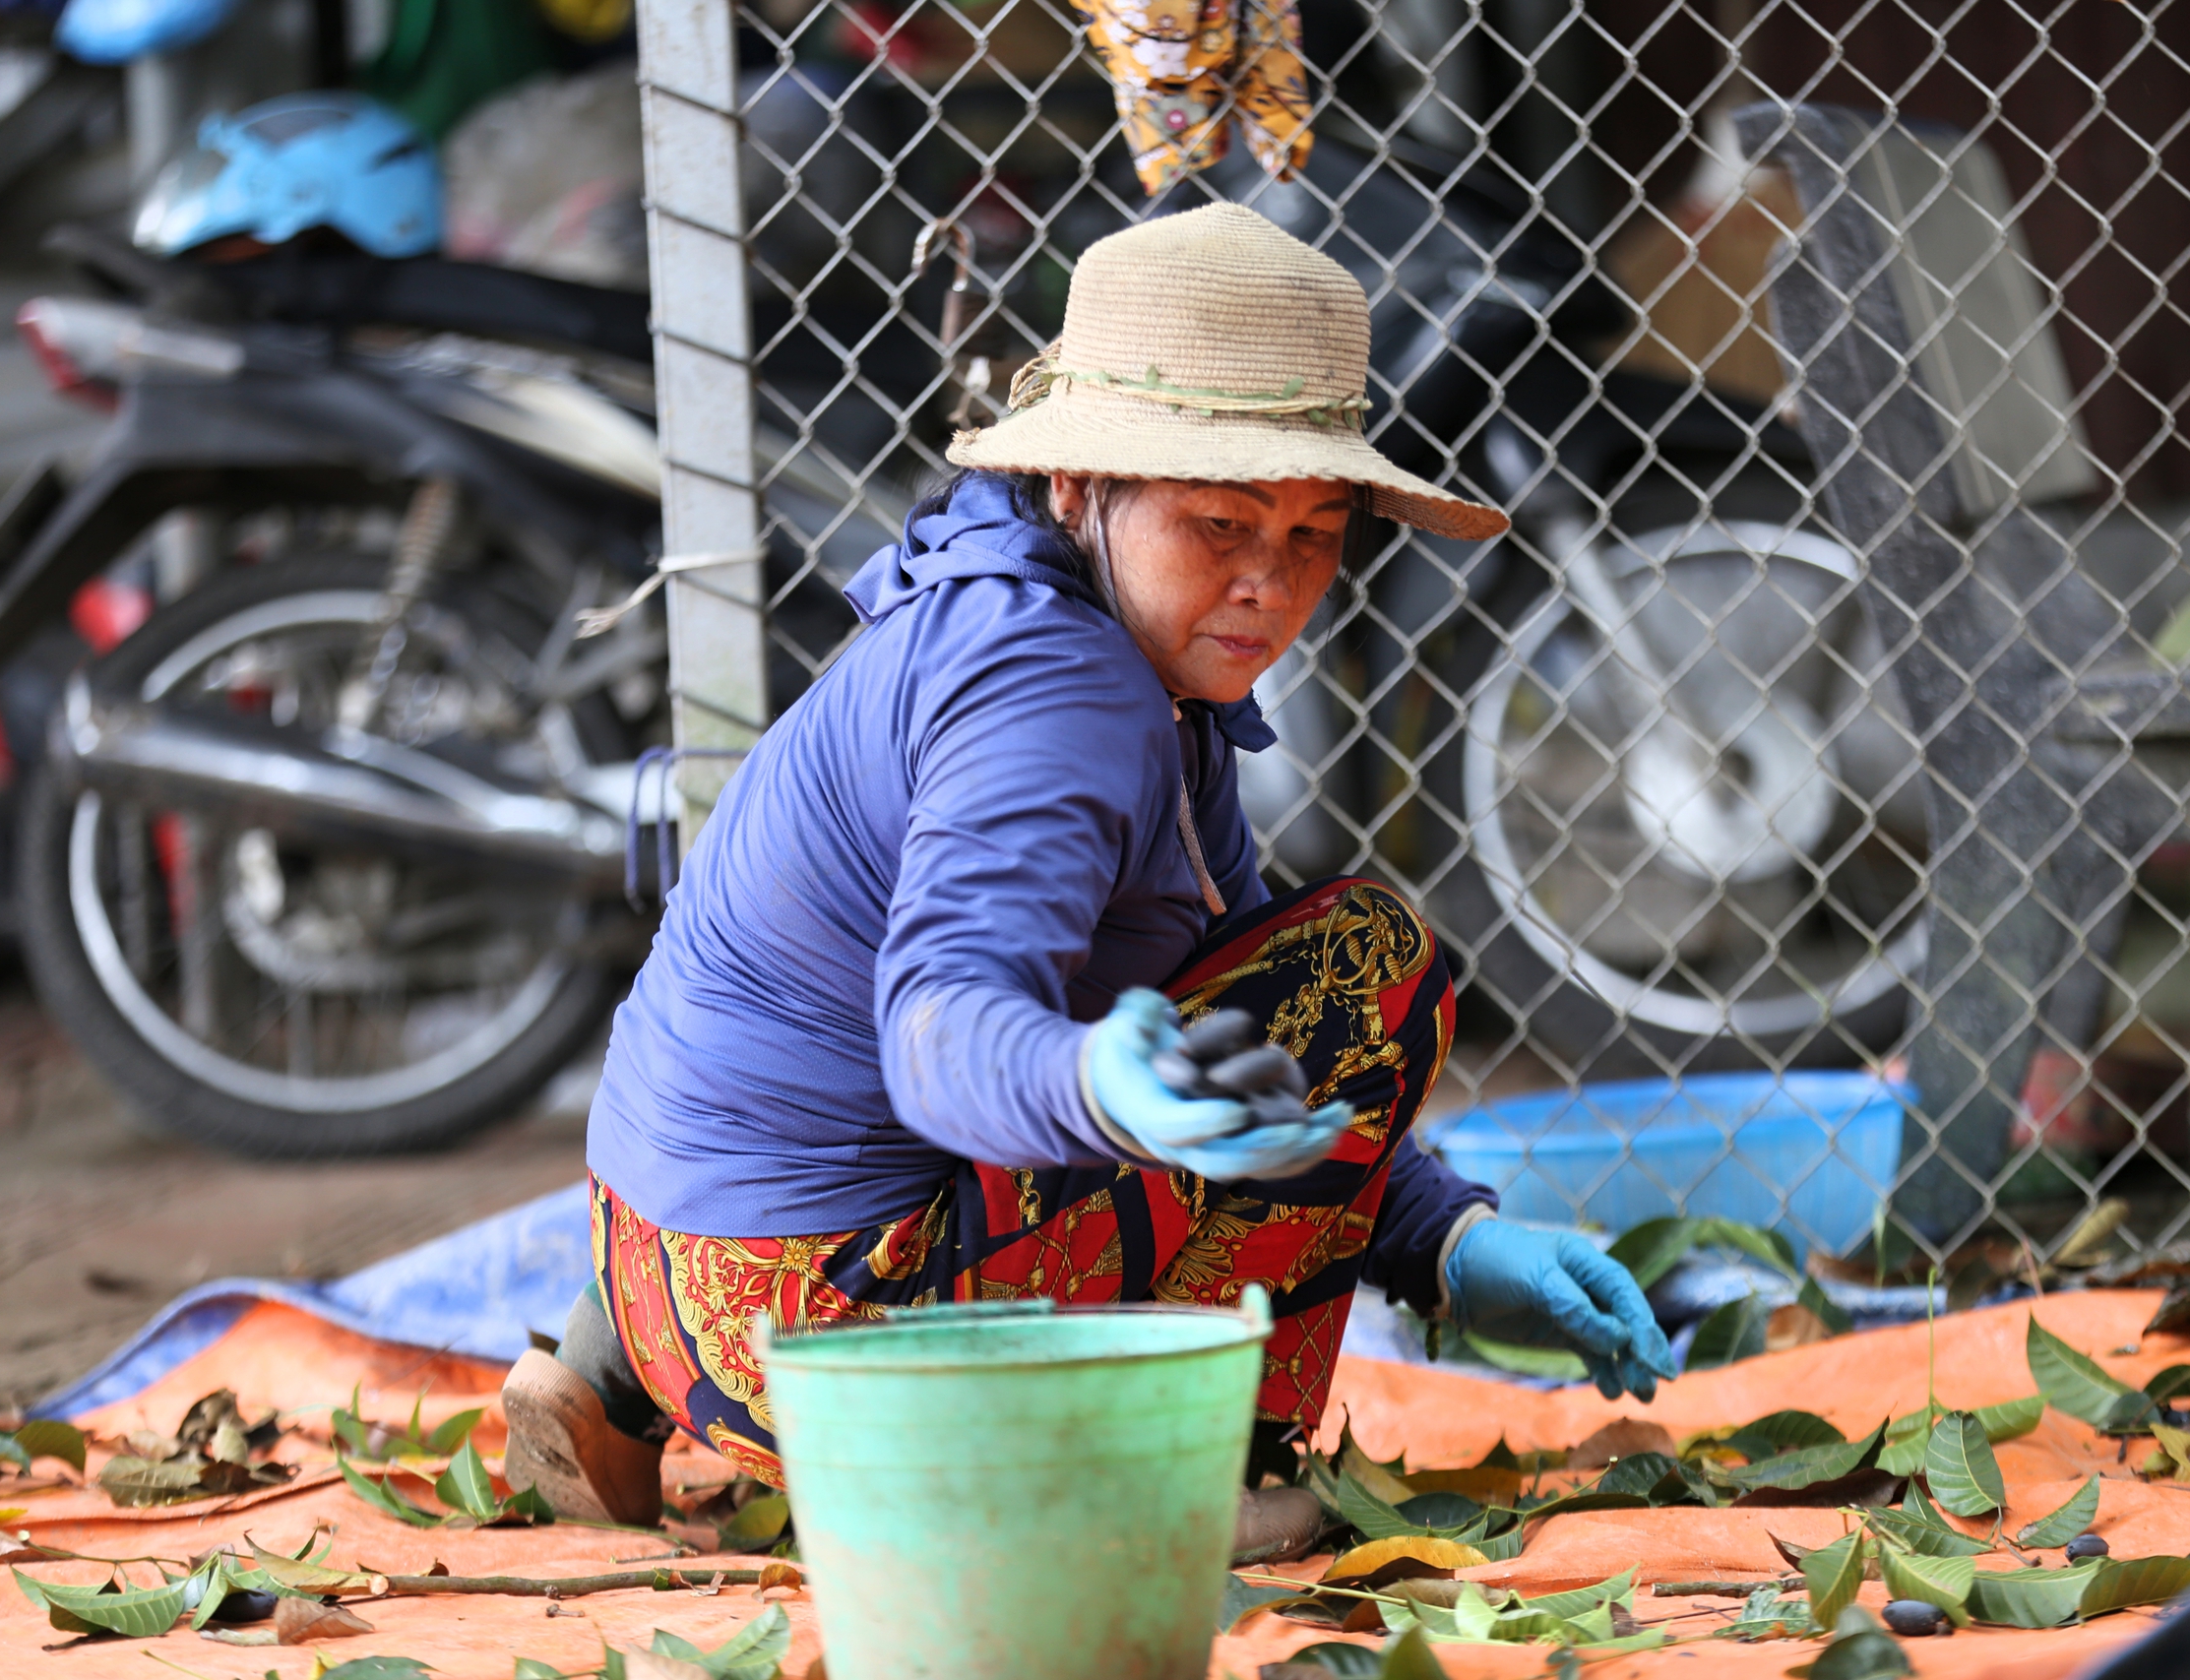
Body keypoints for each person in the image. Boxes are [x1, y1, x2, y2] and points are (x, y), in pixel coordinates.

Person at [501, 203, 1678, 1555]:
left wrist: (1452, 1244)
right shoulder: (1062, 693)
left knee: (1260, 1001)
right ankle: (1175, 1474)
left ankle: (604, 1382)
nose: (1267, 586)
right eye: (1220, 521)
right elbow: (940, 1032)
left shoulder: (1031, 612)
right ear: (1081, 485)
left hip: (652, 1261)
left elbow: (1235, 1022)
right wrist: (1098, 1084)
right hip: (822, 1339)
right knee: (1369, 964)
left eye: (1311, 533)